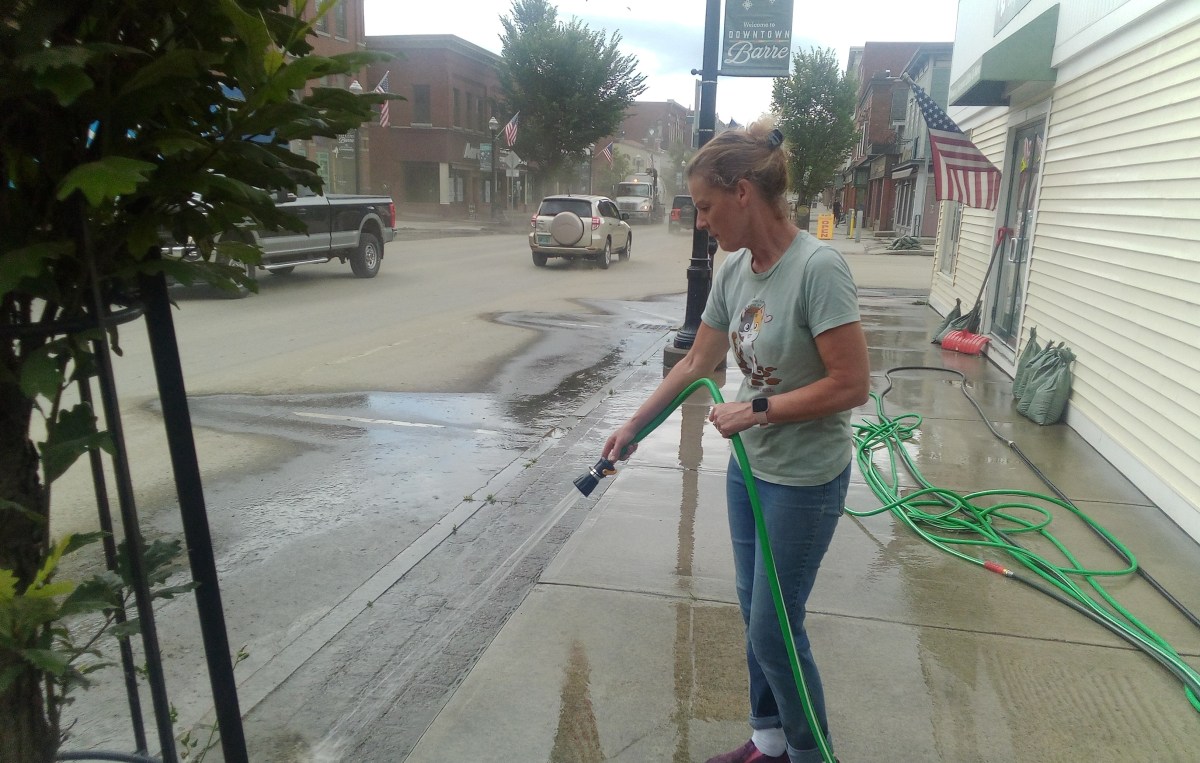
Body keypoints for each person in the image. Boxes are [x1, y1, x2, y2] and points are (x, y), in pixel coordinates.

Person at [601, 121, 870, 763]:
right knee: (753, 615)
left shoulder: (818, 269)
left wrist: (757, 409)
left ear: (743, 192)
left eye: (705, 206)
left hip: (804, 481)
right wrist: (633, 426)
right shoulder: (733, 272)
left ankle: (811, 753)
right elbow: (697, 363)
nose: (701, 222)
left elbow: (852, 384)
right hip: (751, 473)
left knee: (775, 628)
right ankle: (768, 740)